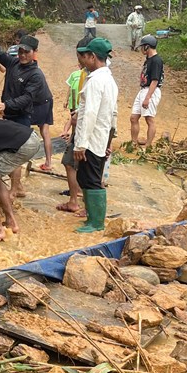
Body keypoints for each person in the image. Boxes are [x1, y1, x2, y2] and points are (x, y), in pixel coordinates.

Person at [0, 12, 54, 195]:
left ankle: (15, 188)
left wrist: (6, 105)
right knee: (7, 150)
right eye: (20, 51)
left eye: (26, 52)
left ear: (34, 53)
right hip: (9, 115)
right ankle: (15, 186)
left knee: (14, 152)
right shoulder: (13, 63)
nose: (22, 55)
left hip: (21, 117)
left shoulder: (36, 75)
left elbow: (27, 98)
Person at [73, 37, 118, 233]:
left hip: (90, 140)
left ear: (92, 57)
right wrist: (110, 139)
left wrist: (81, 144)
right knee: (88, 177)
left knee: (90, 179)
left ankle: (96, 223)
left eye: (83, 56)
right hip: (101, 137)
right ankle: (93, 218)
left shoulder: (95, 81)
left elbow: (90, 113)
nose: (81, 61)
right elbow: (113, 113)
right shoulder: (109, 80)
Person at [56, 38, 92, 217]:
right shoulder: (89, 73)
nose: (78, 59)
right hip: (82, 125)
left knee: (75, 164)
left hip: (86, 129)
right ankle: (79, 201)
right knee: (77, 164)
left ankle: (80, 203)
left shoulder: (93, 76)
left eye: (80, 55)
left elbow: (90, 109)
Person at [130, 34, 164, 147]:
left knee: (149, 119)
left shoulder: (156, 61)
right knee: (134, 117)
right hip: (143, 90)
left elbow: (155, 80)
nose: (141, 49)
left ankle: (148, 146)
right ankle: (133, 143)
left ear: (147, 47)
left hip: (151, 90)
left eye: (142, 46)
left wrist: (148, 97)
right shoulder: (148, 60)